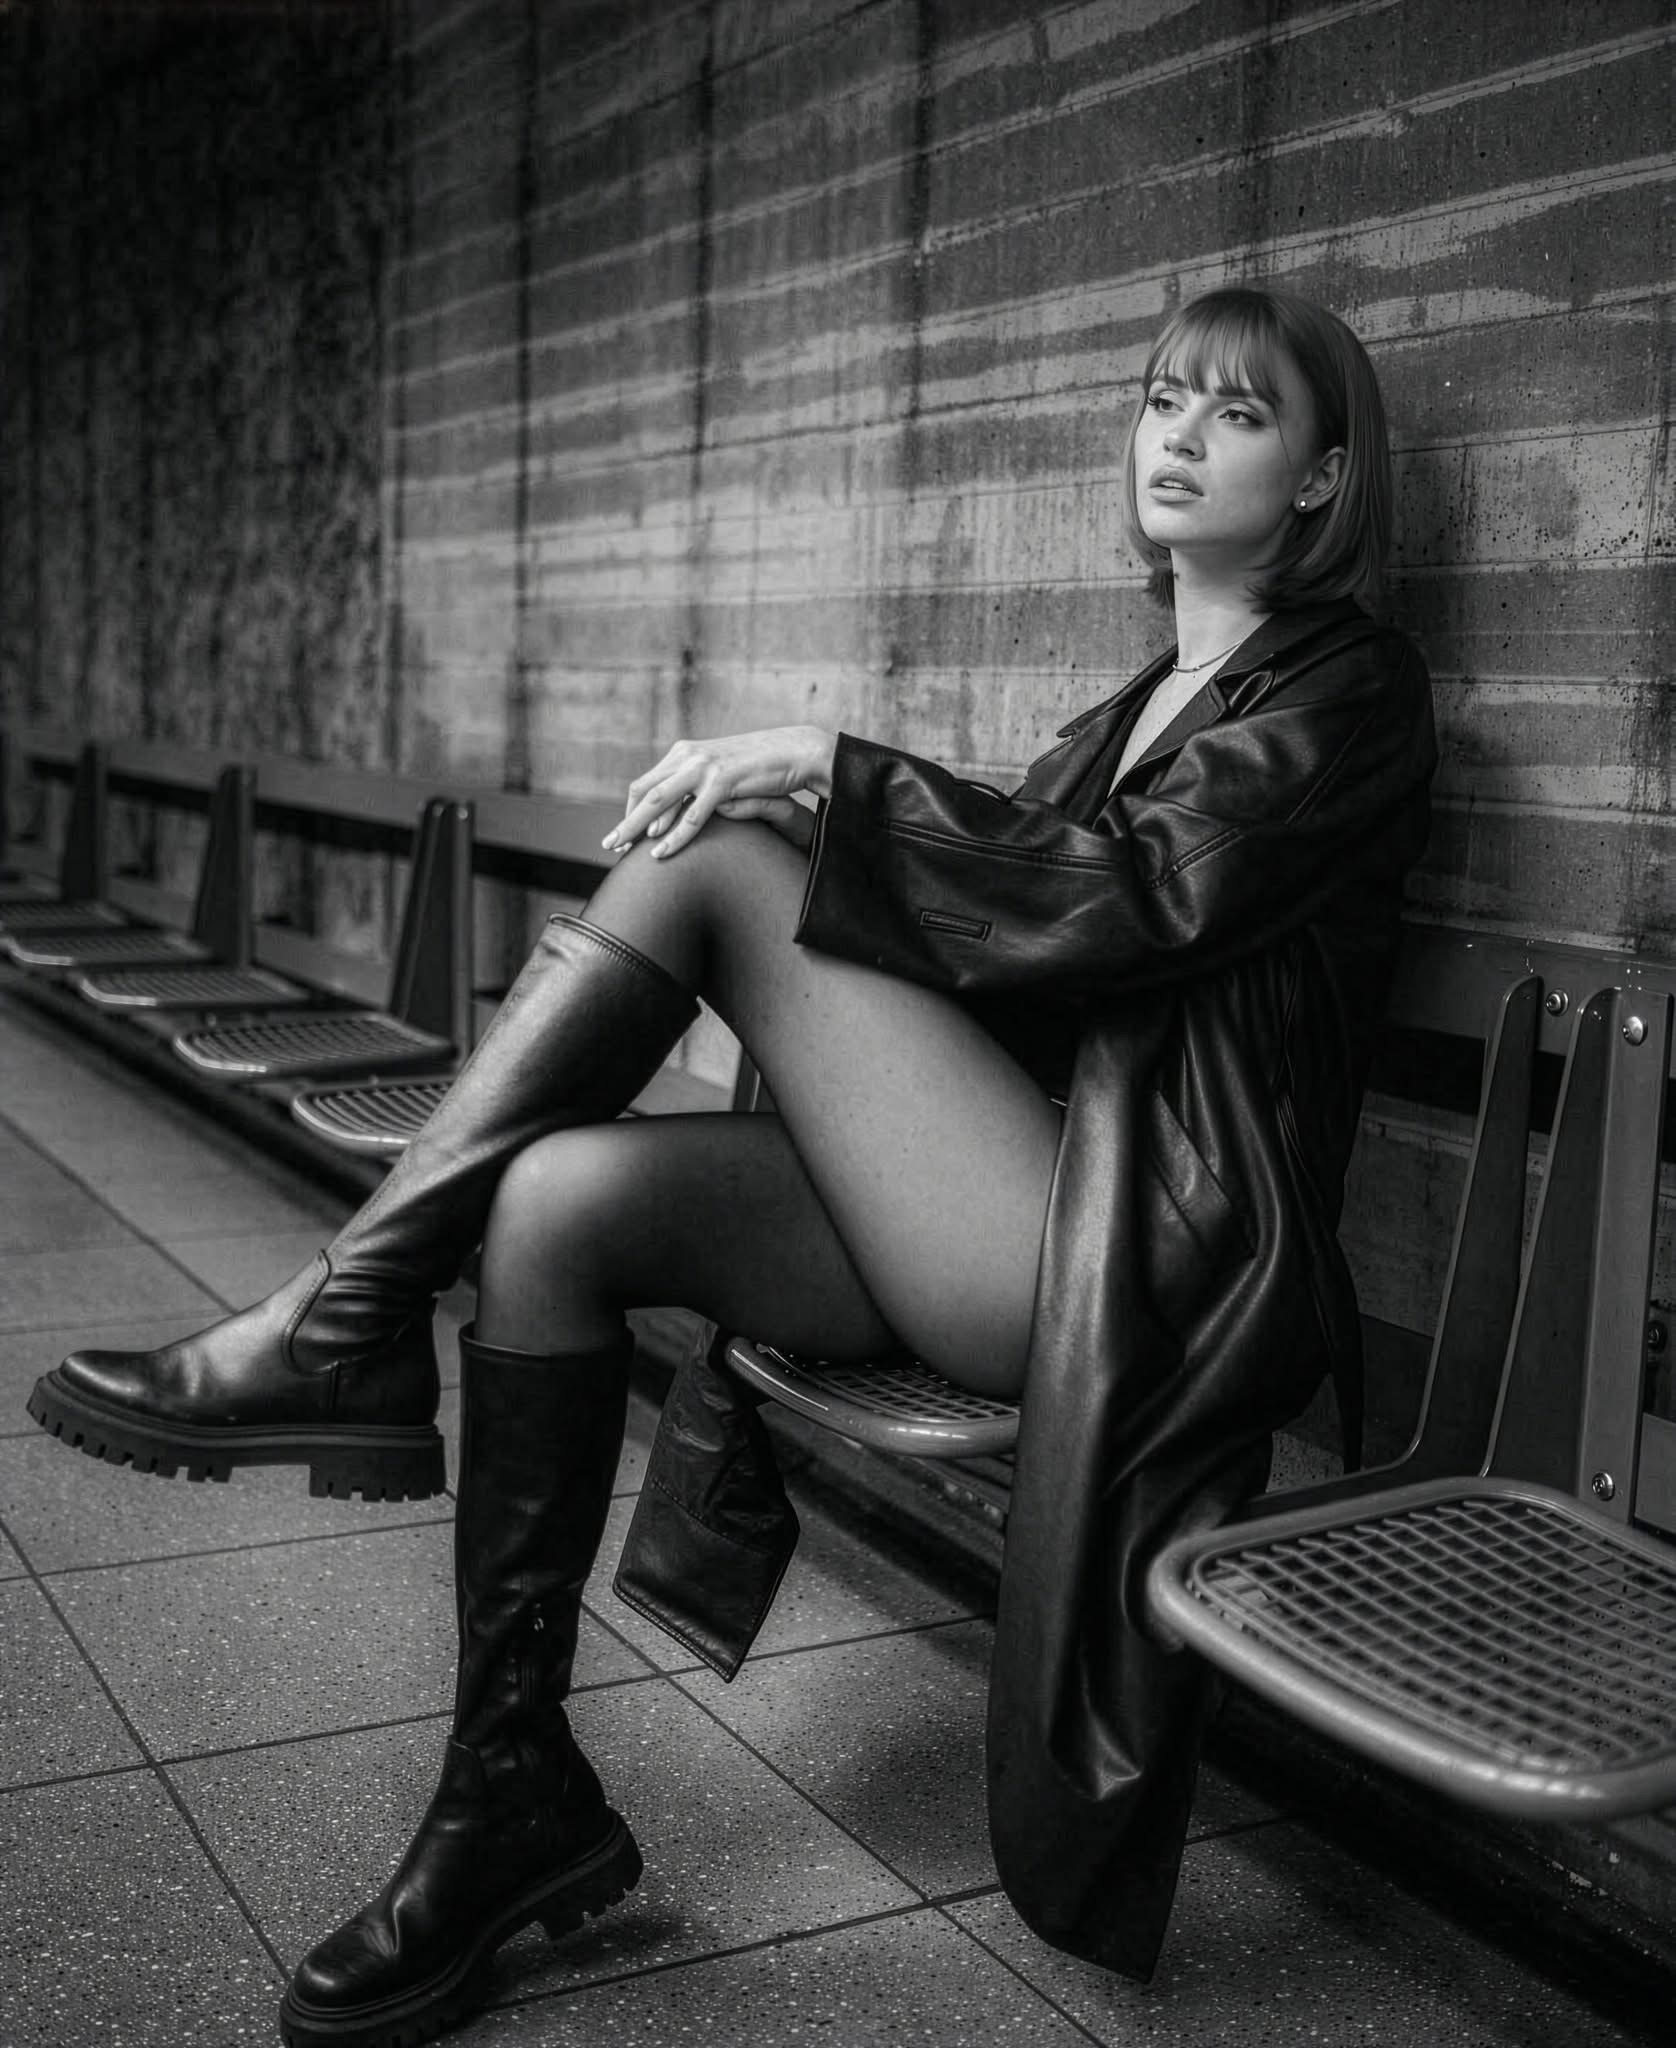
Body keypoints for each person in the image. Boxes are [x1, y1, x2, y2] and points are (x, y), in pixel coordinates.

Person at [30, 285, 1436, 2045]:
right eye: (1164, 399)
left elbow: (1138, 903)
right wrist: (845, 824)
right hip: (1007, 1201)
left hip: (1144, 1254)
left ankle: (346, 1313)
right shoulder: (1128, 712)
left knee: (727, 851)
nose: (1181, 436)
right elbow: (1004, 957)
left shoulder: (1352, 691)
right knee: (555, 1204)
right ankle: (504, 1794)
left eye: (1238, 413)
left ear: (1322, 477)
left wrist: (829, 776)